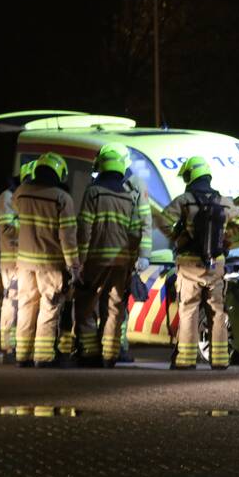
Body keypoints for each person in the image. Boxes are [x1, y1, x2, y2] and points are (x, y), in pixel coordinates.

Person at [157, 155, 239, 370]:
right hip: (215, 265)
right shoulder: (223, 201)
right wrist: (225, 236)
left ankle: (186, 360)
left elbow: (162, 220)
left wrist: (178, 237)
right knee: (217, 311)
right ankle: (220, 359)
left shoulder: (184, 200)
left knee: (188, 309)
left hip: (189, 263)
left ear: (190, 176)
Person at [74, 144, 143, 368]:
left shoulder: (94, 192)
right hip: (121, 263)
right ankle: (110, 354)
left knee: (86, 305)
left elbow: (85, 227)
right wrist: (132, 261)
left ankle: (89, 353)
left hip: (96, 259)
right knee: (115, 308)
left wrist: (80, 260)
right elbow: (135, 231)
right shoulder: (127, 196)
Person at [13, 153, 79, 368]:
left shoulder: (21, 193)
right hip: (50, 264)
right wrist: (73, 265)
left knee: (25, 307)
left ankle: (22, 354)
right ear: (58, 173)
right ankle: (43, 356)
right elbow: (67, 235)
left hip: (24, 263)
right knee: (49, 308)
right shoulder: (62, 198)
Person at [108, 142, 153, 363]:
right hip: (107, 252)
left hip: (124, 253)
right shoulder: (102, 182)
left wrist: (143, 254)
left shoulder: (135, 184)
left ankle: (117, 346)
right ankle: (103, 347)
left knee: (118, 302)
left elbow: (145, 221)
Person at [0, 169, 26, 363]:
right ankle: (9, 346)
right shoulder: (7, 197)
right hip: (11, 258)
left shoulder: (19, 196)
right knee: (12, 302)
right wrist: (31, 226)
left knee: (22, 303)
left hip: (23, 258)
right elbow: (7, 228)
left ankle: (18, 345)